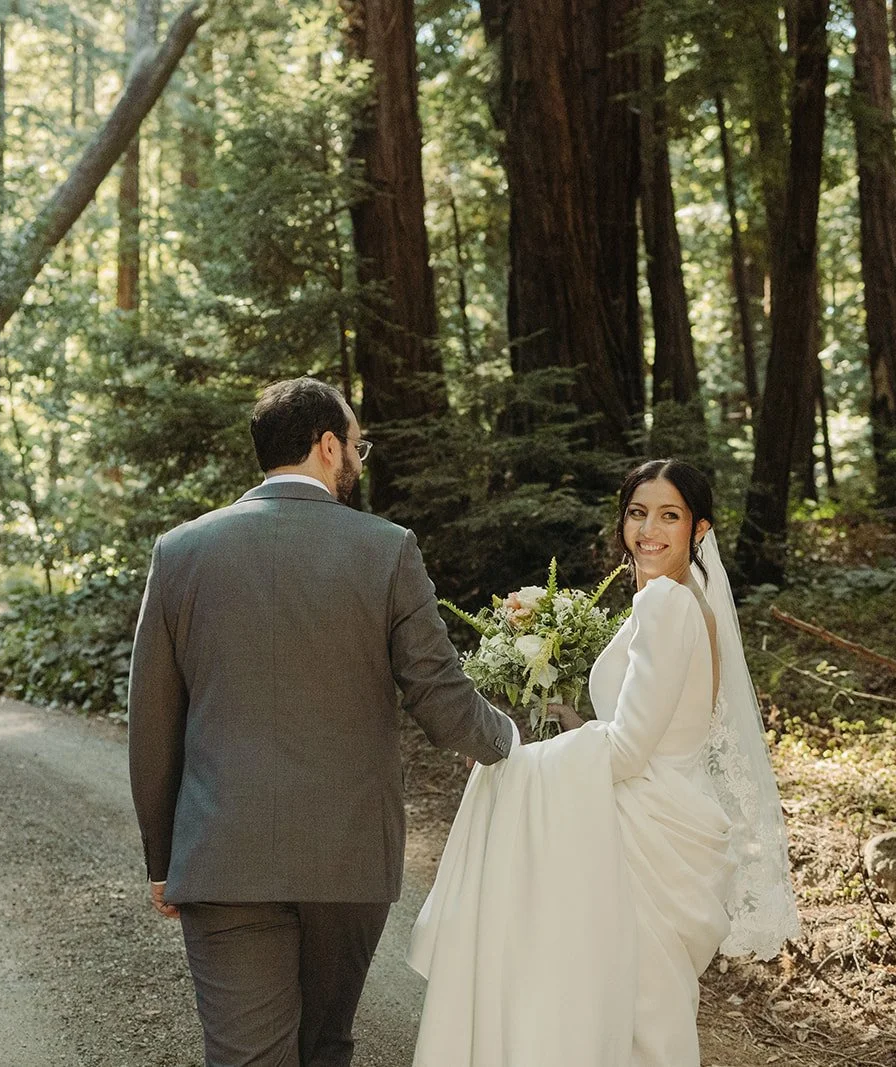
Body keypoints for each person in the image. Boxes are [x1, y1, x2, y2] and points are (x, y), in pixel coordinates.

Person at [127, 376, 518, 1067]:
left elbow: (153, 723)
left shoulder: (181, 551)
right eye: (357, 444)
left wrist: (164, 858)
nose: (359, 460)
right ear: (328, 445)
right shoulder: (387, 547)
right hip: (349, 861)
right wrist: (511, 740)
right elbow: (438, 694)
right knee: (324, 1046)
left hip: (223, 859)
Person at [408, 458, 800, 1067]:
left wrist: (511, 760)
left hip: (644, 829)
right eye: (638, 513)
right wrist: (574, 723)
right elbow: (647, 728)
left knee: (636, 1014)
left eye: (669, 516)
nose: (649, 529)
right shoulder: (689, 600)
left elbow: (626, 751)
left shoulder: (666, 604)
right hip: (664, 805)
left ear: (700, 530)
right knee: (643, 1013)